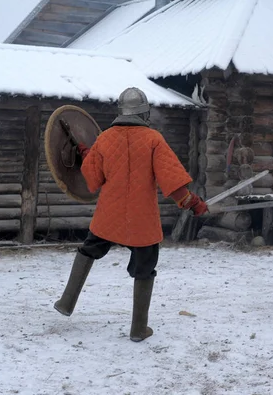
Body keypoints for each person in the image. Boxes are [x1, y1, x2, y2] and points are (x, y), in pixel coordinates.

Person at [53, 87, 208, 342]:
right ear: (144, 113)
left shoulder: (105, 139)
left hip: (108, 216)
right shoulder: (153, 139)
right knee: (145, 269)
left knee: (89, 249)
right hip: (141, 220)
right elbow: (173, 182)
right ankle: (138, 329)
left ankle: (67, 302)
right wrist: (192, 203)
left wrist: (86, 154)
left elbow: (93, 179)